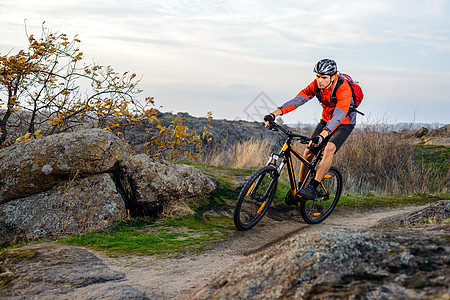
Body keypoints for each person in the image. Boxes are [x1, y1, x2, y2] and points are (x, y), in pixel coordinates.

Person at [263, 59, 356, 200]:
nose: (320, 80)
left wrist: (323, 135)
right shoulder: (316, 85)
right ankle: (300, 190)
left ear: (333, 76)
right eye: (318, 76)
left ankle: (313, 187)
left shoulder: (343, 88)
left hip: (344, 122)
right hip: (326, 120)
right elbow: (298, 100)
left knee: (329, 148)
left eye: (324, 77)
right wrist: (274, 113)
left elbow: (338, 116)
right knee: (308, 152)